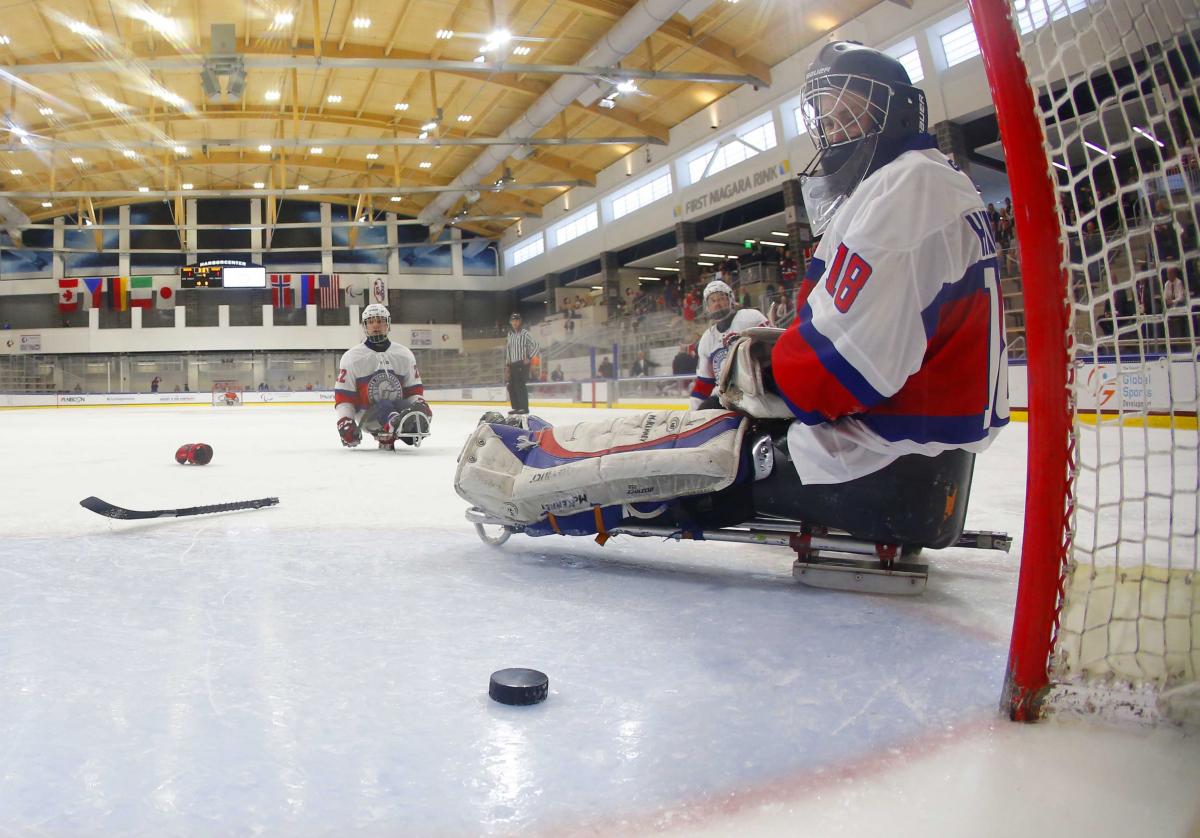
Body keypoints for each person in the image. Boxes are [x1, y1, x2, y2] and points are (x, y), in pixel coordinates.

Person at [456, 41, 1008, 538]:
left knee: (688, 455)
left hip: (871, 455)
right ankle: (544, 449)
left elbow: (835, 375)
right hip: (917, 445)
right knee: (695, 429)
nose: (835, 128)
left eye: (852, 109)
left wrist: (768, 370)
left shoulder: (902, 193)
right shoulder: (934, 182)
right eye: (828, 113)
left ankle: (528, 473)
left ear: (897, 108)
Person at [334, 303, 432, 450]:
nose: (375, 325)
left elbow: (414, 392)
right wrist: (345, 420)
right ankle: (396, 423)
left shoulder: (404, 354)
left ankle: (402, 424)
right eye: (371, 321)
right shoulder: (351, 357)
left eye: (380, 321)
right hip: (368, 417)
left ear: (388, 324)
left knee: (409, 408)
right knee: (384, 405)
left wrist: (420, 406)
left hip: (398, 410)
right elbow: (344, 396)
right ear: (364, 326)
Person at [688, 279, 768, 409]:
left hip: (759, 391)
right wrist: (693, 412)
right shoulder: (707, 339)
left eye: (721, 298)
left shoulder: (750, 318)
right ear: (707, 306)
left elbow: (775, 348)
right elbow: (704, 382)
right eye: (712, 301)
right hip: (726, 397)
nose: (717, 304)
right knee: (705, 411)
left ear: (731, 299)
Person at [504, 313, 540, 415]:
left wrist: (529, 357)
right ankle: (516, 407)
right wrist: (507, 365)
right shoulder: (510, 334)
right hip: (512, 364)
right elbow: (508, 350)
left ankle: (524, 408)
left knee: (520, 385)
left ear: (520, 321)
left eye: (517, 320)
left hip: (521, 363)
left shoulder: (525, 333)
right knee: (511, 386)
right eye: (513, 320)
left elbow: (536, 346)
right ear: (511, 322)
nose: (515, 322)